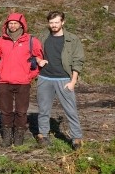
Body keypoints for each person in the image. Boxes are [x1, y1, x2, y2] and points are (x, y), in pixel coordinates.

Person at [0, 12, 43, 147]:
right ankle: (7, 137)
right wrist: (1, 73)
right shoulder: (0, 41)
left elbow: (39, 60)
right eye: (10, 23)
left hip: (23, 82)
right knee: (5, 111)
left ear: (22, 25)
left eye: (15, 23)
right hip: (4, 82)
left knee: (21, 111)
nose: (13, 26)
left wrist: (30, 75)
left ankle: (19, 137)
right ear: (6, 24)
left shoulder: (32, 41)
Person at [36, 11, 85, 150]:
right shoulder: (42, 36)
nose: (54, 25)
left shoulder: (72, 39)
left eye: (56, 22)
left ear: (63, 22)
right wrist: (38, 60)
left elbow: (78, 60)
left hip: (64, 79)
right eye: (51, 23)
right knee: (43, 109)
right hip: (45, 78)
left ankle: (76, 138)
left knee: (70, 110)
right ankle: (43, 135)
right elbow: (34, 52)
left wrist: (73, 81)